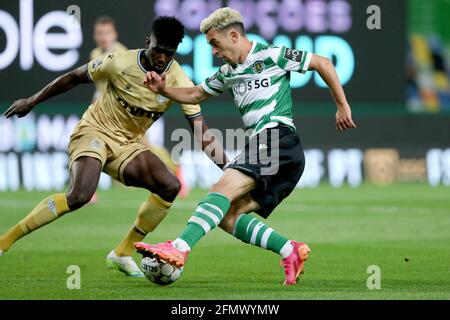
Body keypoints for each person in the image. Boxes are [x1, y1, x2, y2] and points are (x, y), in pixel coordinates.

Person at [135, 7, 356, 285]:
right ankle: (290, 250)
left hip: (277, 138)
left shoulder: (272, 55)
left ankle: (179, 247)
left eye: (215, 43)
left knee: (220, 190)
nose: (213, 51)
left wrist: (341, 105)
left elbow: (323, 62)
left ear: (234, 36)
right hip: (281, 155)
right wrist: (163, 89)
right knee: (228, 216)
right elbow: (195, 93)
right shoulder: (228, 72)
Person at [0, 17, 227, 278]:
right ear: (147, 42)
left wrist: (229, 168)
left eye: (169, 53)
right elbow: (73, 78)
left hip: (127, 145)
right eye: (158, 50)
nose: (162, 58)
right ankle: (4, 241)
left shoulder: (180, 82)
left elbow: (201, 131)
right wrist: (31, 101)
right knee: (79, 196)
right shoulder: (119, 61)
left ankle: (122, 253)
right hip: (94, 130)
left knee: (169, 186)